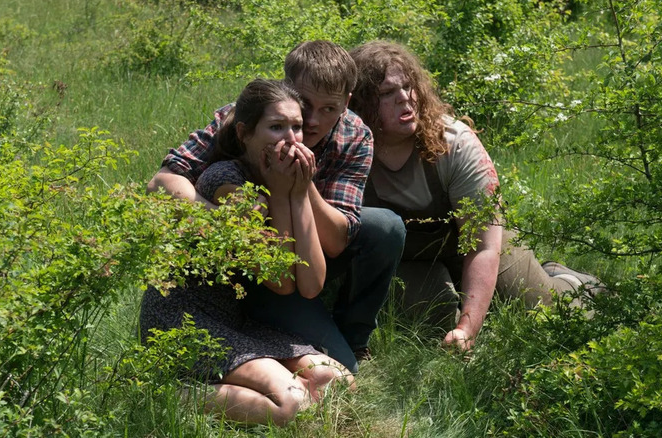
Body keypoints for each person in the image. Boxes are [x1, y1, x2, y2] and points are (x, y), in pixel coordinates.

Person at [147, 40, 405, 372]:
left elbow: (337, 241)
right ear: (286, 87)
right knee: (342, 368)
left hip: (309, 253)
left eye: (329, 109)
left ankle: (352, 334)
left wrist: (301, 183)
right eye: (305, 104)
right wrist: (224, 226)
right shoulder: (250, 114)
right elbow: (162, 181)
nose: (310, 121)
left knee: (385, 227)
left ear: (346, 103)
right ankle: (294, 333)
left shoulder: (355, 135)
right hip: (248, 259)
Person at [348, 40, 605, 351]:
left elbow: (483, 245)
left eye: (408, 86)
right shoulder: (347, 151)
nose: (405, 98)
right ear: (360, 104)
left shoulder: (454, 143)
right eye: (387, 93)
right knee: (431, 323)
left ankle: (569, 281)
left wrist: (468, 329)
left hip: (476, 243)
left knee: (540, 312)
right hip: (409, 260)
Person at [140, 79, 354, 426]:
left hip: (230, 319)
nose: (291, 138)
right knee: (292, 404)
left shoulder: (282, 180)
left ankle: (232, 385)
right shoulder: (228, 184)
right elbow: (281, 281)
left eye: (296, 127)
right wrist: (284, 192)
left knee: (338, 381)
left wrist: (298, 194)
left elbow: (311, 284)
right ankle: (165, 393)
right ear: (245, 134)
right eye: (275, 127)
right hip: (182, 323)